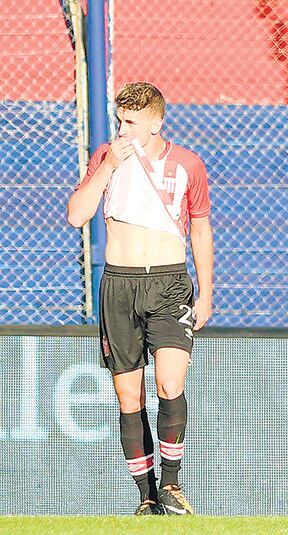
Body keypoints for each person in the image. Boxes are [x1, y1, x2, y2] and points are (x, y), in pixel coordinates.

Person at [67, 82, 213, 516]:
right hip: (119, 283)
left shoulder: (187, 163)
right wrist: (107, 166)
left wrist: (206, 292)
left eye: (131, 122)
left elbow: (201, 228)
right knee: (129, 397)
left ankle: (172, 485)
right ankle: (146, 496)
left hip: (168, 283)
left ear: (156, 121)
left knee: (170, 383)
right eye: (119, 121)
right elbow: (77, 213)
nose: (123, 130)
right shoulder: (107, 158)